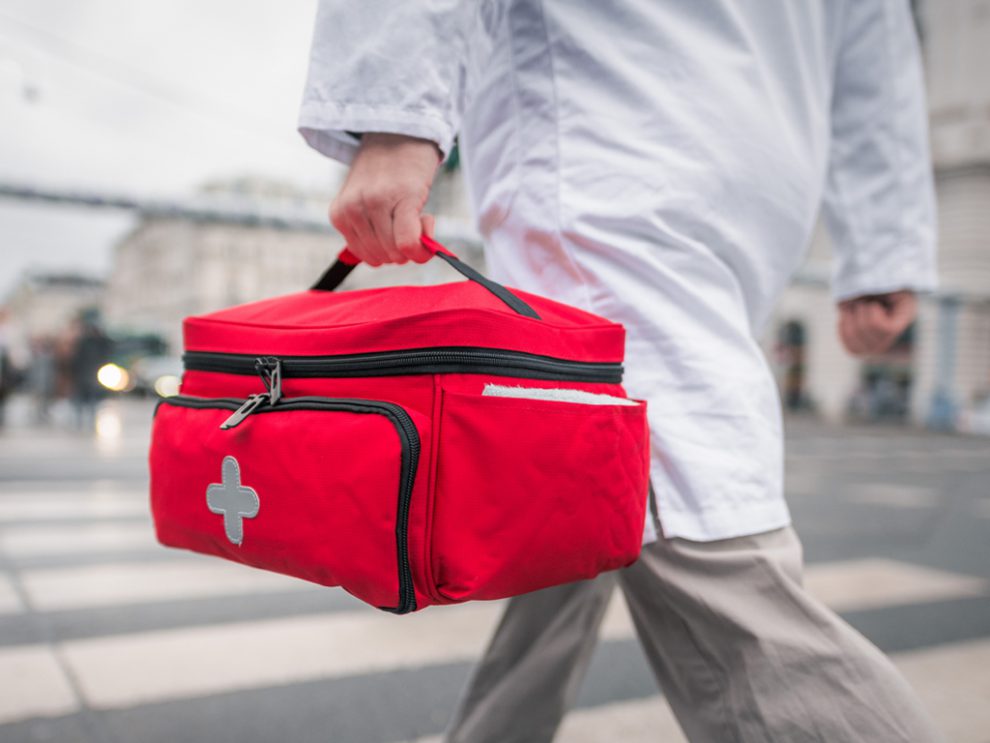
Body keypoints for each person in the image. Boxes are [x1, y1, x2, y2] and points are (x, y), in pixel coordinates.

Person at [299, 2, 942, 741]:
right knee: (577, 504)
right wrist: (886, 239)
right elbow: (877, 35)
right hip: (756, 155)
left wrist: (394, 119)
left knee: (716, 567)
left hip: (610, 144)